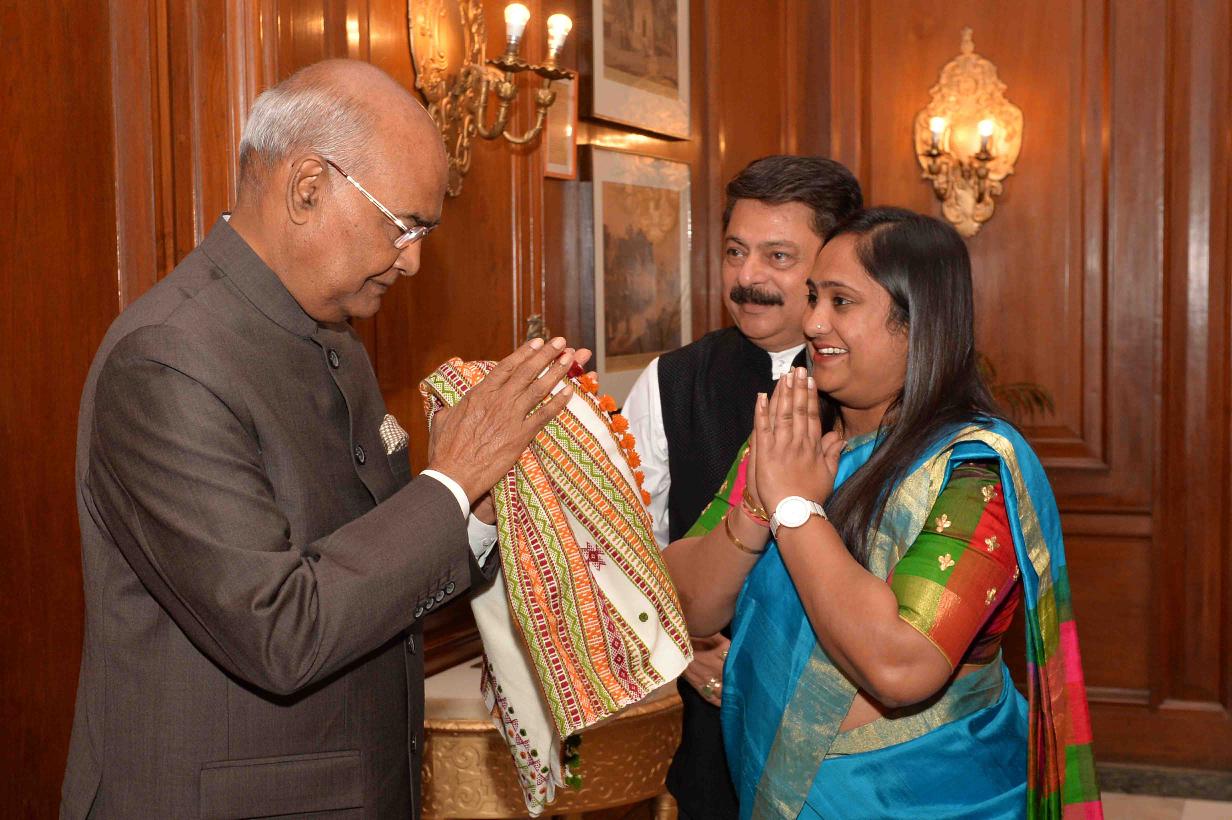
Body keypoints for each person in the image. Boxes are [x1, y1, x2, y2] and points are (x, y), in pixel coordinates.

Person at [60, 60, 588, 818]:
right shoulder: (167, 360)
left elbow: (368, 569)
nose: (413, 259)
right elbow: (280, 629)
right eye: (403, 225)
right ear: (308, 187)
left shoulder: (332, 336)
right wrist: (452, 482)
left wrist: (474, 511)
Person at [664, 208, 1102, 818]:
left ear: (918, 322)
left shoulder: (974, 470)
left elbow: (900, 666)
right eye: (813, 296)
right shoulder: (793, 438)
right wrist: (757, 510)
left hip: (933, 796)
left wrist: (794, 508)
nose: (812, 321)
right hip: (784, 790)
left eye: (841, 301)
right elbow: (683, 606)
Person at [622, 155, 861, 819]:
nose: (748, 278)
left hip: (851, 729)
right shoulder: (672, 382)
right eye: (735, 252)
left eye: (777, 257)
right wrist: (684, 646)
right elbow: (621, 548)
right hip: (709, 725)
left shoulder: (875, 388)